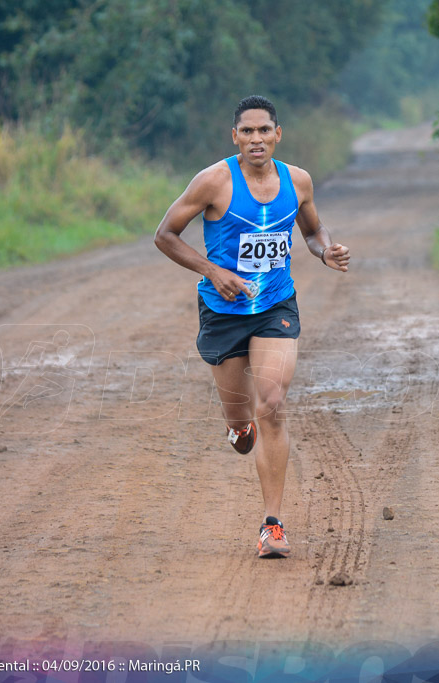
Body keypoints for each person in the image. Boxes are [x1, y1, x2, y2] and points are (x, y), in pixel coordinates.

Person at [154, 95, 350, 559]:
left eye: (265, 131)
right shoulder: (213, 181)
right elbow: (164, 234)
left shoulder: (297, 181)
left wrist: (325, 251)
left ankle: (272, 526)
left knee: (274, 404)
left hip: (276, 306)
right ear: (234, 136)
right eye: (247, 131)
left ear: (278, 134)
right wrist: (212, 271)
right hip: (223, 311)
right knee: (242, 424)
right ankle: (239, 430)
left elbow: (311, 230)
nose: (256, 139)